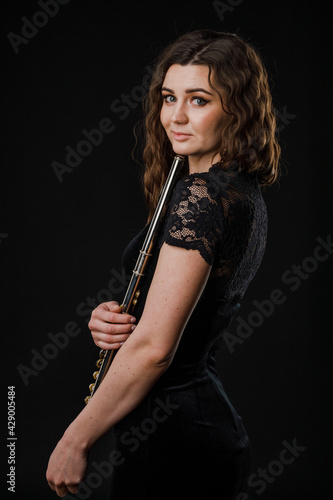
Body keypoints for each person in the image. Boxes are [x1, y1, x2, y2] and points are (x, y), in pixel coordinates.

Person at [46, 29, 281, 499]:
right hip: (189, 427)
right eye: (168, 97)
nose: (175, 116)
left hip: (177, 435)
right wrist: (117, 323)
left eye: (198, 100)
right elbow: (169, 321)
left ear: (236, 108)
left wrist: (75, 438)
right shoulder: (234, 191)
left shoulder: (206, 194)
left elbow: (157, 349)